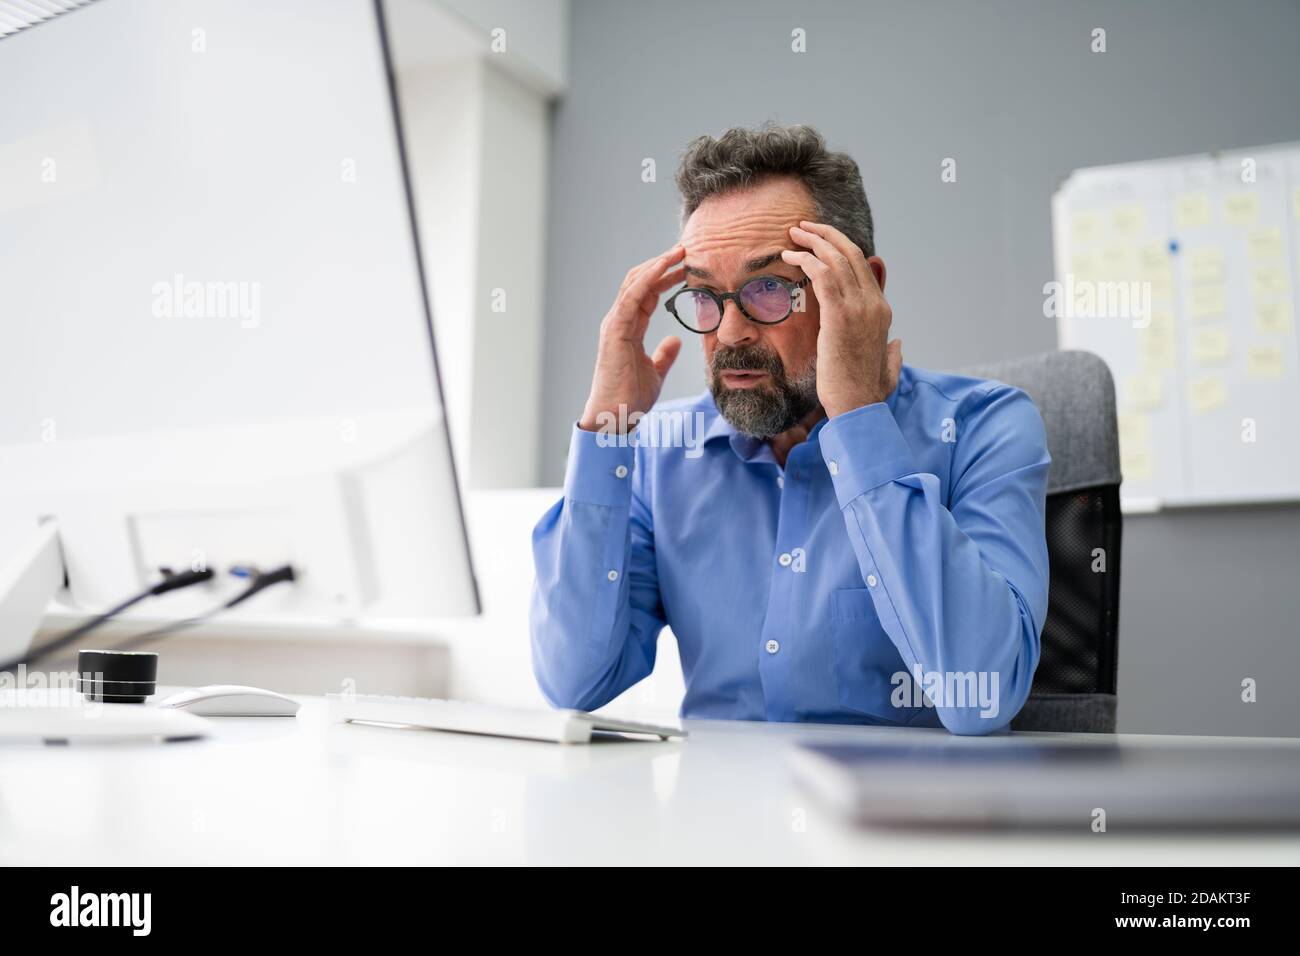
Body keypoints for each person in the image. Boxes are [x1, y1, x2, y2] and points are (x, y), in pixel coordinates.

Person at [530, 124, 1050, 734]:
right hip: (711, 819)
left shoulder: (986, 428)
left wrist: (858, 417)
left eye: (770, 289)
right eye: (703, 295)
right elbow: (574, 682)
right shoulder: (658, 455)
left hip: (906, 822)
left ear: (863, 289)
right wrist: (606, 430)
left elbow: (981, 696)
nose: (728, 334)